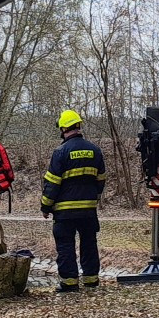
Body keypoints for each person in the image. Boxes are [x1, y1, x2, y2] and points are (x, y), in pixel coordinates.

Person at [40, 109, 106, 293]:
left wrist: (45, 206)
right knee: (89, 243)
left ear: (63, 129)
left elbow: (52, 183)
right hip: (88, 210)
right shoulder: (95, 150)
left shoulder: (60, 152)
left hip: (64, 211)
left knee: (65, 245)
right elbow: (101, 179)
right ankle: (91, 280)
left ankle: (69, 283)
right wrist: (93, 197)